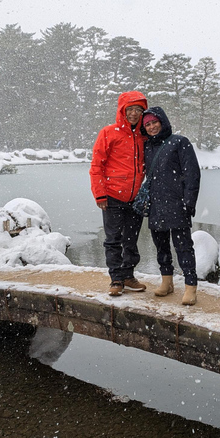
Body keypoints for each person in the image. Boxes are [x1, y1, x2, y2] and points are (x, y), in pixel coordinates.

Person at [89, 90, 149, 297]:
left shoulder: (144, 136)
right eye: (130, 109)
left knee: (131, 240)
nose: (134, 113)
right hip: (113, 196)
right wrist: (100, 194)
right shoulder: (109, 132)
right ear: (122, 111)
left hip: (136, 198)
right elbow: (97, 165)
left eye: (138, 110)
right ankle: (116, 278)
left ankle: (128, 275)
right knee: (113, 239)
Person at [140, 106, 201, 305]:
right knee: (161, 246)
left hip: (177, 204)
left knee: (184, 247)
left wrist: (189, 203)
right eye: (147, 124)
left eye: (154, 122)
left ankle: (191, 286)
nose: (151, 127)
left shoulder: (179, 142)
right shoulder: (148, 147)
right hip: (156, 205)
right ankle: (167, 281)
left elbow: (192, 175)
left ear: (162, 122)